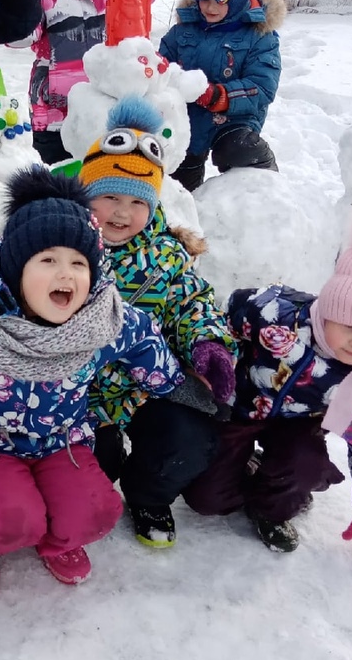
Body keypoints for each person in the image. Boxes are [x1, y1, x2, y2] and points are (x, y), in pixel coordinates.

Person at [0, 167, 182, 597]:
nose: (65, 274)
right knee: (13, 517)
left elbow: (143, 338)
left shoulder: (100, 322)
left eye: (77, 263)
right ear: (16, 271)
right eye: (48, 260)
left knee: (97, 511)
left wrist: (172, 382)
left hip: (62, 441)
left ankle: (58, 544)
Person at [183, 202, 352, 561]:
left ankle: (272, 507)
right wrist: (212, 357)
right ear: (329, 308)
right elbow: (228, 315)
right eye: (349, 327)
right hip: (242, 410)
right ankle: (245, 469)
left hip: (300, 426)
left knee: (301, 467)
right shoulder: (276, 313)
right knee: (206, 498)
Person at [78, 97, 238, 548]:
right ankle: (101, 469)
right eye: (109, 195)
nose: (121, 213)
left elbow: (193, 305)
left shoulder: (164, 255)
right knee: (91, 471)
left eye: (136, 201)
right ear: (86, 191)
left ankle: (148, 495)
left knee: (188, 440)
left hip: (149, 383)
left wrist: (209, 346)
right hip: (77, 393)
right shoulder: (60, 246)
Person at [13, 0, 161, 164]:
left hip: (103, 111)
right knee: (57, 177)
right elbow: (21, 37)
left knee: (99, 178)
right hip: (55, 114)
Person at [158, 0, 285, 190]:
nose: (210, 7)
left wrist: (220, 96)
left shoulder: (258, 34)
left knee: (237, 149)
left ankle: (265, 190)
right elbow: (162, 62)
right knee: (179, 185)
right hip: (188, 121)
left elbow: (262, 87)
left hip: (232, 122)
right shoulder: (185, 28)